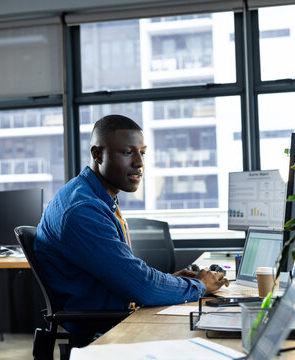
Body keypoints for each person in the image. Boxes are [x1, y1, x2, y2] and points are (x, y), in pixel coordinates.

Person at [35, 114, 228, 343]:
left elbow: (131, 277)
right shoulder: (83, 209)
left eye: (142, 152)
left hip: (115, 312)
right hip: (102, 328)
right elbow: (142, 286)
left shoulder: (95, 196)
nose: (139, 163)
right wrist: (198, 286)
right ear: (97, 154)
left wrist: (171, 283)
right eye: (128, 153)